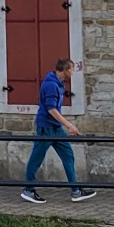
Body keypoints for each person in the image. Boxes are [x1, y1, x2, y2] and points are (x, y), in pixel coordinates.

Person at [20, 58, 94, 204]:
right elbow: (51, 109)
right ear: (65, 70)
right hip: (46, 127)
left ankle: (76, 191)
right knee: (36, 159)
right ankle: (28, 190)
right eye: (72, 69)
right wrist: (70, 126)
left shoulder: (58, 83)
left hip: (55, 127)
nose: (73, 72)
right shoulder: (51, 85)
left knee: (68, 155)